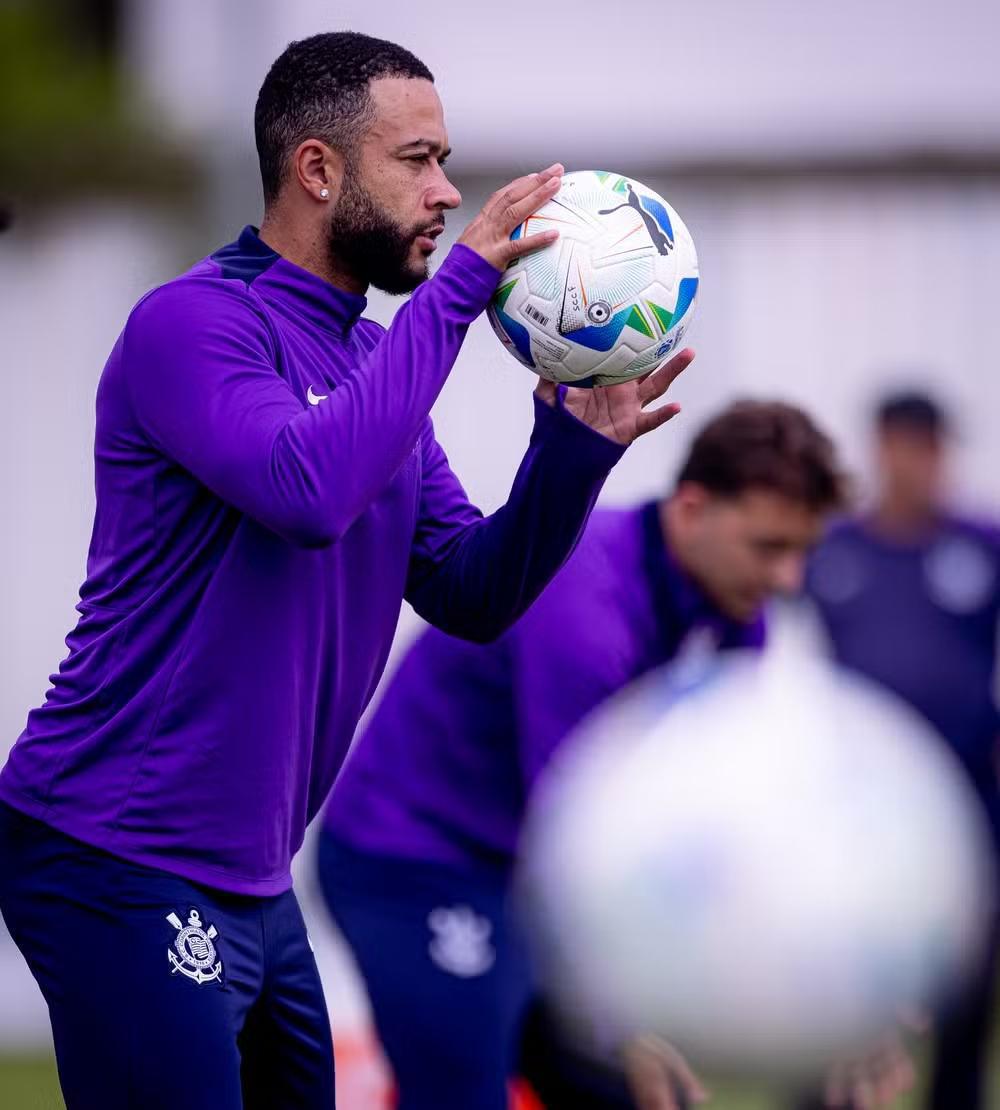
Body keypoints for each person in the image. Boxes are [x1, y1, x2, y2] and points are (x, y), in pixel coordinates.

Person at [0, 32, 694, 1110]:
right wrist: (458, 290)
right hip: (113, 853)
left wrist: (575, 450)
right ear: (318, 170)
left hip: (254, 882)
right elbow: (305, 492)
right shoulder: (190, 324)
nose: (448, 192)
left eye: (444, 159)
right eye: (416, 160)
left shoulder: (369, 361)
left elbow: (472, 590)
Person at [317, 400, 848, 1110]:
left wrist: (836, 1000)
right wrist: (632, 1025)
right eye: (769, 547)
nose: (789, 579)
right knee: (467, 1096)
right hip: (417, 864)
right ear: (692, 509)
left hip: (531, 876)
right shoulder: (584, 605)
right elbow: (585, 846)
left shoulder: (735, 619)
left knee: (649, 1094)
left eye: (802, 551)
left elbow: (739, 823)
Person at [805, 390, 1000, 1110]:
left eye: (930, 449)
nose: (916, 464)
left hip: (968, 799)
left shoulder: (981, 545)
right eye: (902, 446)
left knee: (963, 980)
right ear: (880, 449)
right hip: (859, 805)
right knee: (839, 969)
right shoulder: (834, 551)